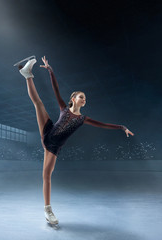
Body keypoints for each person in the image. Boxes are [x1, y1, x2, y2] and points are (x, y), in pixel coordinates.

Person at [18, 56, 134, 225]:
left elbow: (104, 125)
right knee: (39, 104)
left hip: (53, 146)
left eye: (85, 98)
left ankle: (47, 210)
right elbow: (55, 88)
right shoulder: (64, 108)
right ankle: (27, 74)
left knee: (46, 176)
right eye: (81, 96)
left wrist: (122, 127)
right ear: (73, 99)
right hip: (48, 130)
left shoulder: (83, 119)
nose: (84, 99)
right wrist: (51, 70)